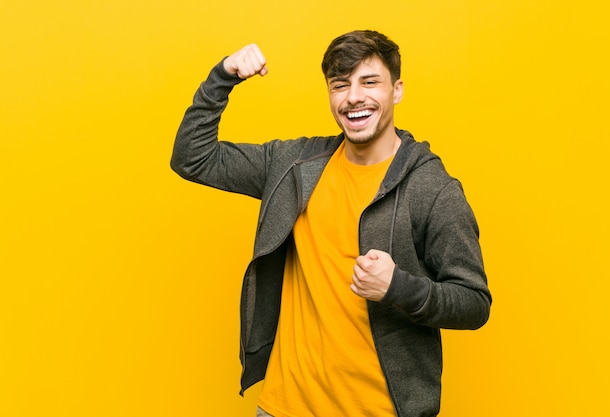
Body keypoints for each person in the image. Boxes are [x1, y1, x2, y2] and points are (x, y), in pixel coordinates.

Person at [171, 30, 491, 417]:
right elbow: (193, 158)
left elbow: (474, 303)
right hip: (283, 407)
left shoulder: (431, 189)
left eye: (369, 81)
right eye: (340, 85)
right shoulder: (295, 166)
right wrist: (223, 76)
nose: (353, 96)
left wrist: (399, 287)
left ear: (397, 90)